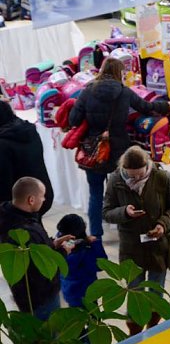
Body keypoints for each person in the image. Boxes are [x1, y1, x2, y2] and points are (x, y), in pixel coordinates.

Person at [69, 57, 170, 239]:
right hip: (119, 152)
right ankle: (125, 232)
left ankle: (96, 235)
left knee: (95, 195)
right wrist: (167, 106)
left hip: (93, 151)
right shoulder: (123, 92)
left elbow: (73, 119)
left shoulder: (87, 91)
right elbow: (146, 107)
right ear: (119, 73)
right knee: (122, 194)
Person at [102, 146, 170, 334]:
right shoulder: (115, 180)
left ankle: (153, 329)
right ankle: (135, 333)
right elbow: (106, 213)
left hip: (158, 247)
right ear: (123, 168)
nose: (136, 179)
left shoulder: (162, 178)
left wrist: (162, 224)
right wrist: (125, 212)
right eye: (132, 176)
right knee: (134, 293)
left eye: (140, 175)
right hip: (131, 248)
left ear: (147, 165)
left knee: (156, 292)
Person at [0, 177, 70, 319]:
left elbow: (34, 251)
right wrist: (62, 251)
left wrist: (52, 244)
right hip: (41, 299)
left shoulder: (8, 216)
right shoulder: (27, 231)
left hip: (22, 295)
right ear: (31, 200)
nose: (44, 199)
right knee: (49, 336)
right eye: (42, 196)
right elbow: (44, 269)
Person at [0, 100, 54, 215]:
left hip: (20, 205)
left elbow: (4, 183)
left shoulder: (4, 143)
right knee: (35, 229)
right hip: (41, 194)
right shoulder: (28, 131)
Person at [56, 213, 107, 309]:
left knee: (76, 318)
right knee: (93, 317)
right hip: (87, 293)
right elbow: (101, 265)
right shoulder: (86, 251)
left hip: (69, 292)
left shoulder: (59, 246)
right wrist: (96, 243)